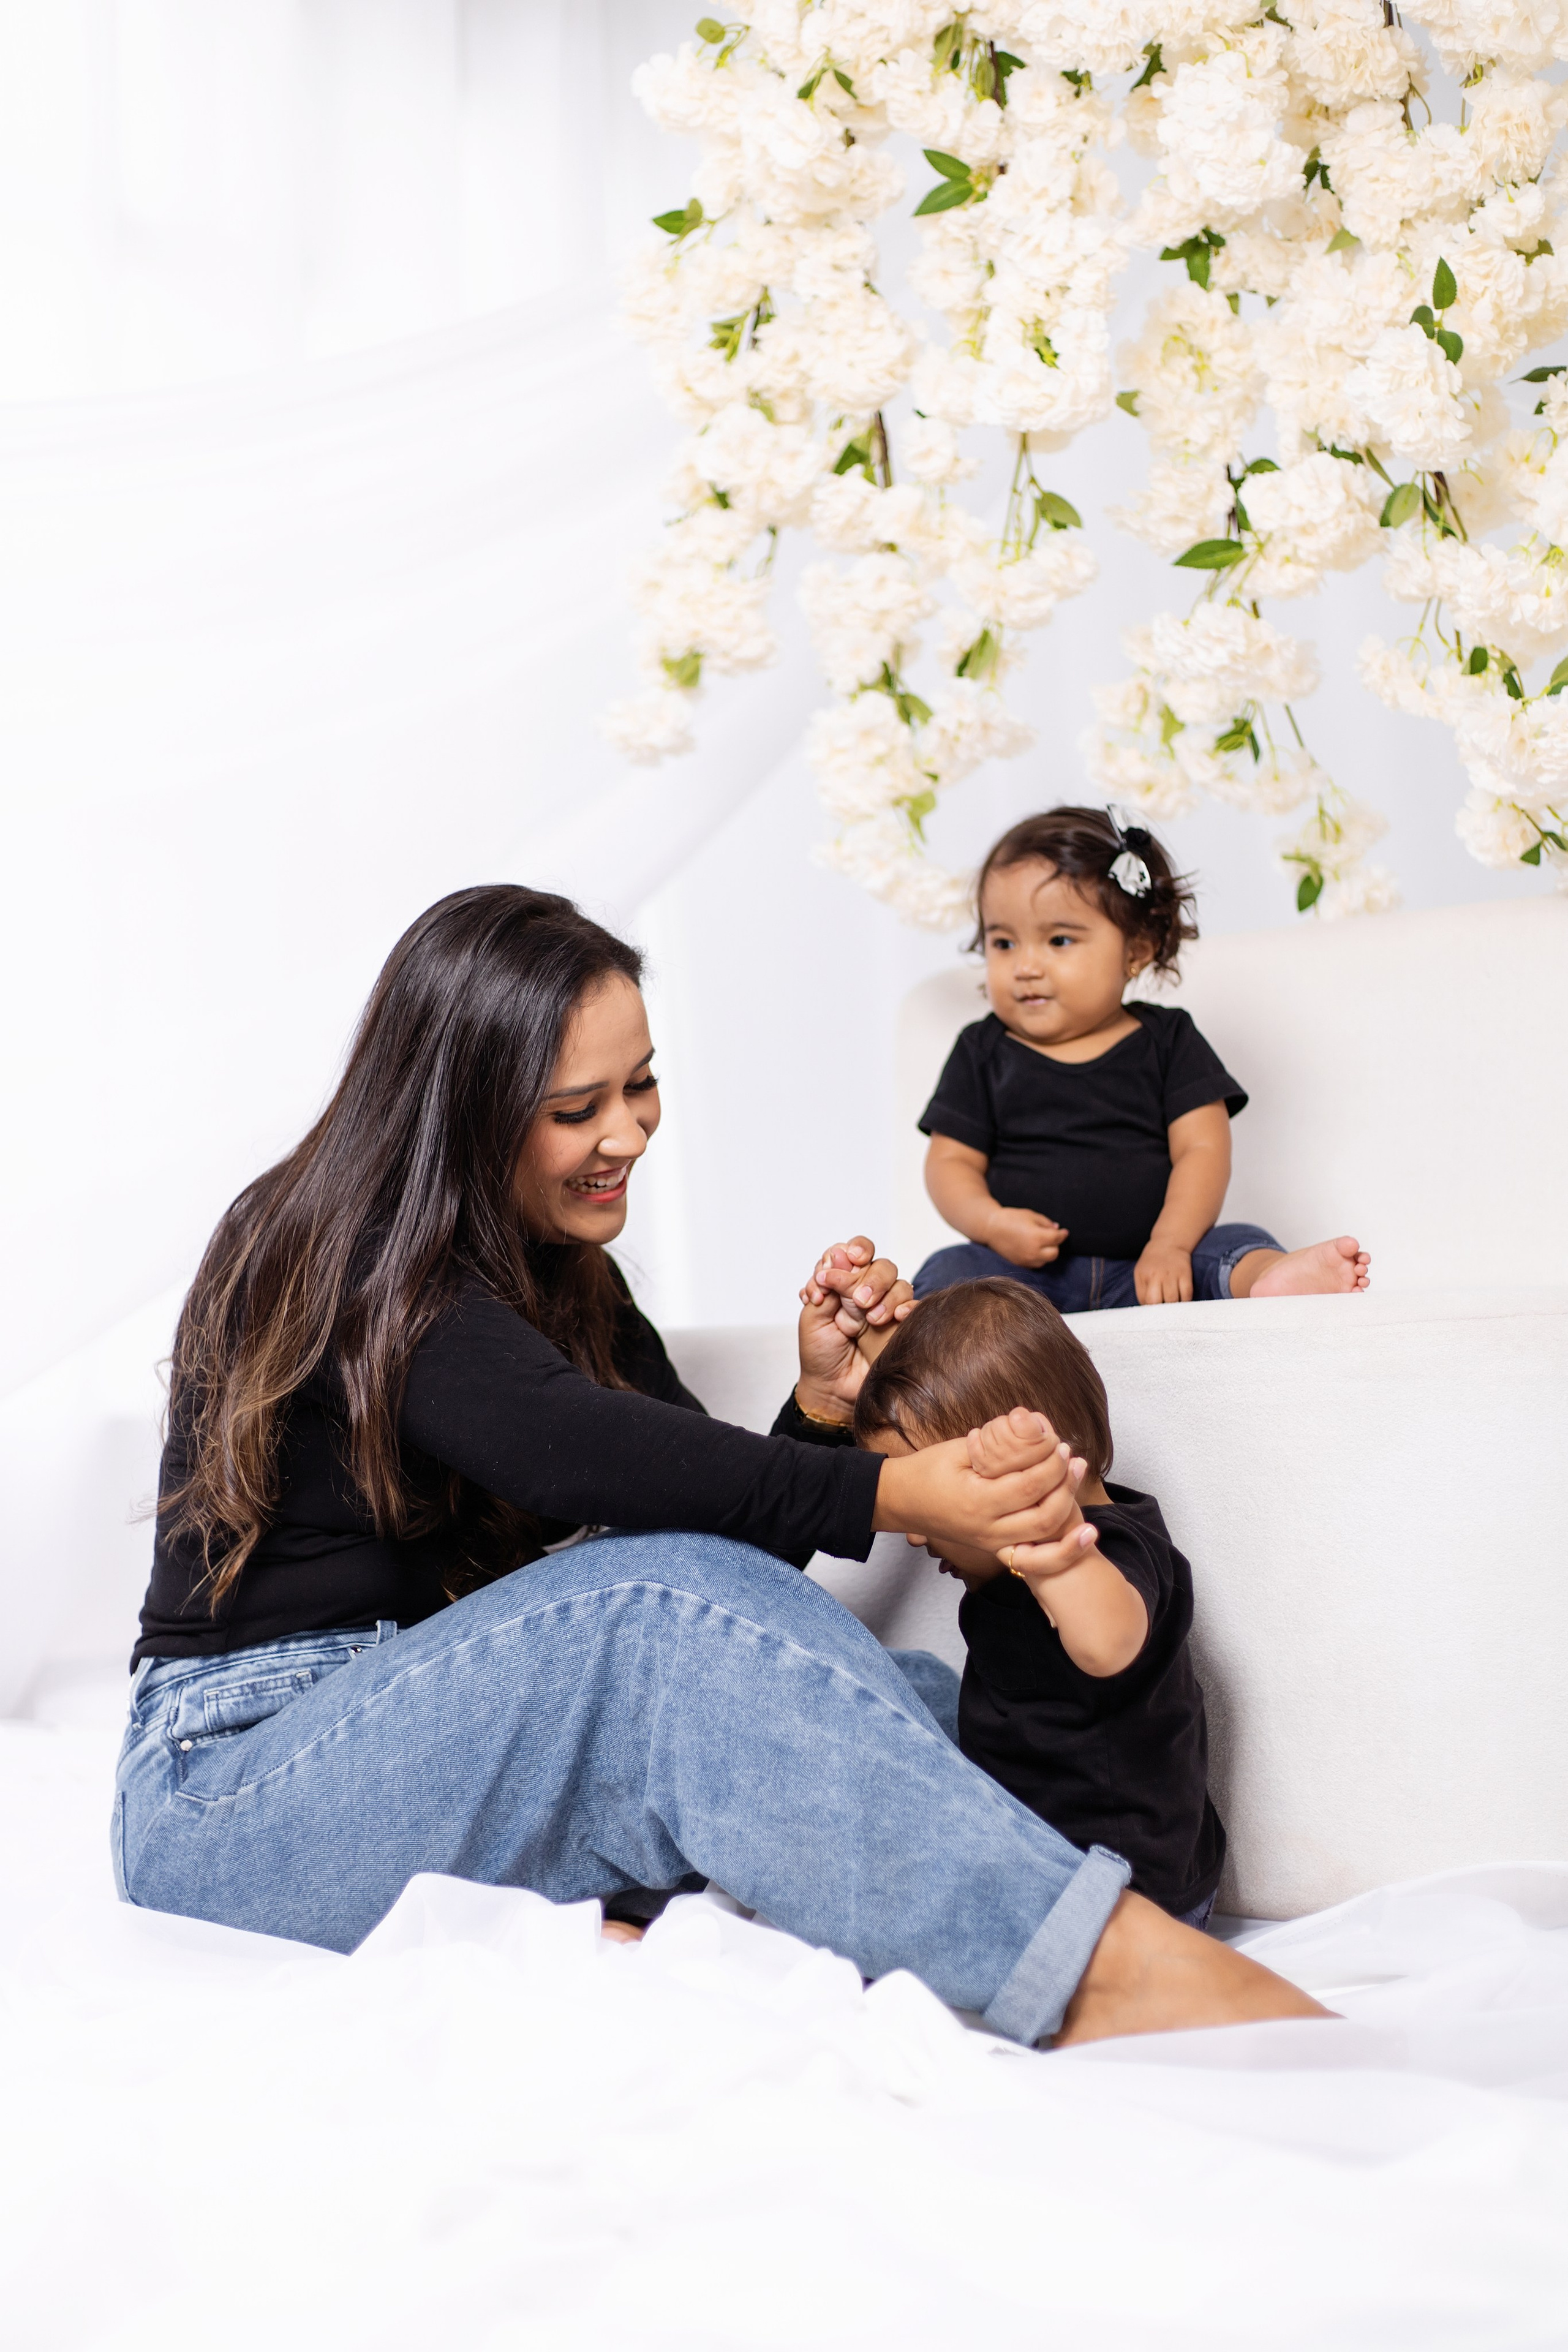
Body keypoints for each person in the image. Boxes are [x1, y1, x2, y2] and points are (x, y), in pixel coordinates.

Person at [115, 883, 1324, 2046]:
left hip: (449, 1746)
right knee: (657, 1619)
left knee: (875, 1689)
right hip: (238, 1790)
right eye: (576, 1109)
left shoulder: (563, 1273)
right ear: (464, 1113)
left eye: (640, 1086)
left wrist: (819, 1412)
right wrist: (888, 1489)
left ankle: (1116, 1890)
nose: (627, 1133)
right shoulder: (336, 1250)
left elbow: (705, 1550)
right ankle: (1088, 1969)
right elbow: (577, 1458)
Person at [846, 1278, 1226, 1929]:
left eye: (937, 1495)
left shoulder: (1104, 1551)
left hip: (1127, 1899)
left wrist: (1055, 1547)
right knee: (899, 1680)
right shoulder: (1011, 1571)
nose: (913, 1531)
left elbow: (1108, 1644)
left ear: (1029, 1483)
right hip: (1044, 1845)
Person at [914, 805, 1372, 1310]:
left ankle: (1268, 1275)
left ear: (1136, 951)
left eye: (1059, 940)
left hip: (1152, 1271)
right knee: (952, 1270)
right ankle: (922, 1330)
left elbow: (1202, 1150)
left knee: (1233, 1242)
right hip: (1025, 1280)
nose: (1025, 966)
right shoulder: (981, 1050)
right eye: (1004, 942)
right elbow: (950, 1162)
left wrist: (1170, 1244)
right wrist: (991, 1224)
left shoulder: (1167, 1041)